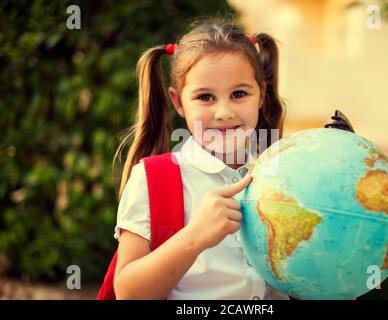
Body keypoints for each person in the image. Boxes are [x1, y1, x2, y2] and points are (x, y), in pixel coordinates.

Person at [112, 18, 288, 300]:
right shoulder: (152, 180)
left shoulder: (286, 174)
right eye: (205, 97)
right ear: (178, 102)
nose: (224, 112)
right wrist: (195, 236)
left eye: (239, 94)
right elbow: (129, 294)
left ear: (261, 95)